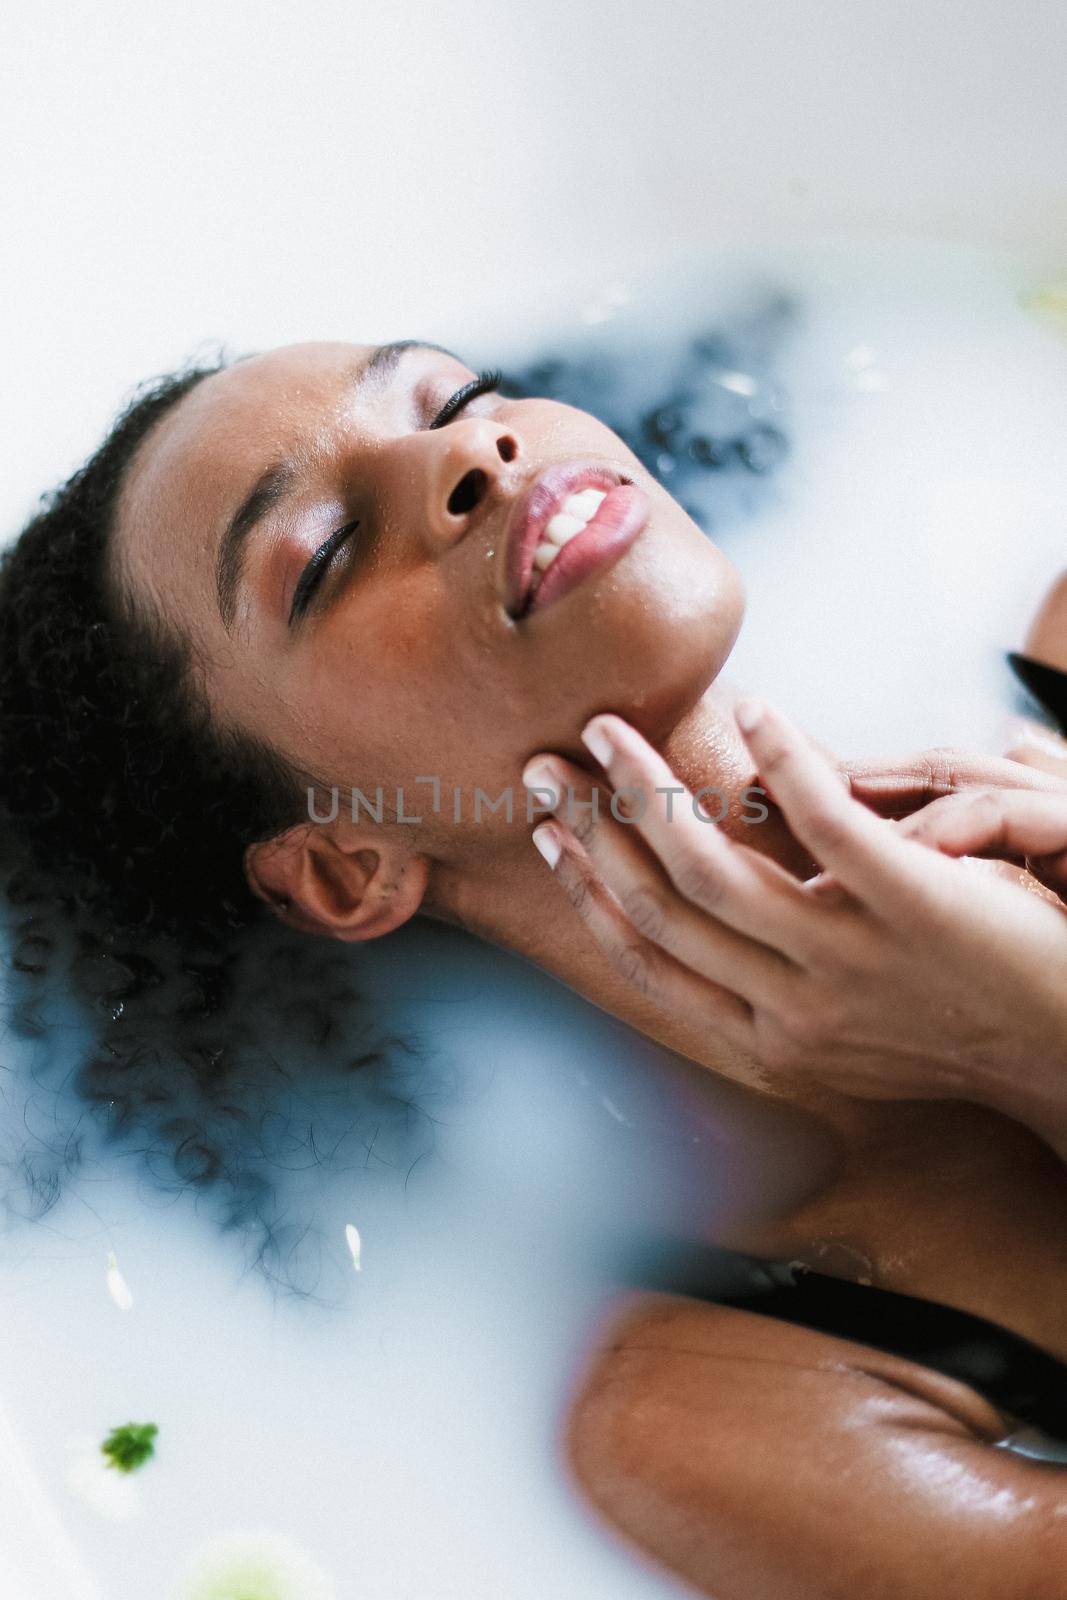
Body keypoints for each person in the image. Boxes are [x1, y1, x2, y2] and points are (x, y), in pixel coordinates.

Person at [1, 340, 1066, 1597]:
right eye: (328, 553)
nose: (463, 451)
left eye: (451, 396)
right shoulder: (724, 1405)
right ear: (347, 864)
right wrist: (1027, 1036)